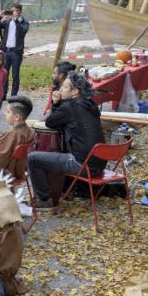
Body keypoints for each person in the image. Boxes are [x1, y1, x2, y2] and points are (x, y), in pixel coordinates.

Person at [28, 71, 106, 208]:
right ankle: (63, 189)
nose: (60, 90)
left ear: (75, 91)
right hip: (99, 164)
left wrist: (56, 103)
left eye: (64, 87)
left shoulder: (70, 106)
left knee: (33, 158)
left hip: (82, 165)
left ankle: (44, 199)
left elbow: (50, 122)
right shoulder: (91, 105)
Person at [0, 3, 30, 97]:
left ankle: (13, 95)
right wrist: (0, 17)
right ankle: (3, 94)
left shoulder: (24, 22)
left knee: (15, 75)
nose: (13, 13)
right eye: (12, 10)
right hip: (6, 51)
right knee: (4, 73)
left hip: (16, 52)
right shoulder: (8, 21)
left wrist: (16, 21)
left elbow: (23, 31)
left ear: (20, 11)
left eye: (15, 10)